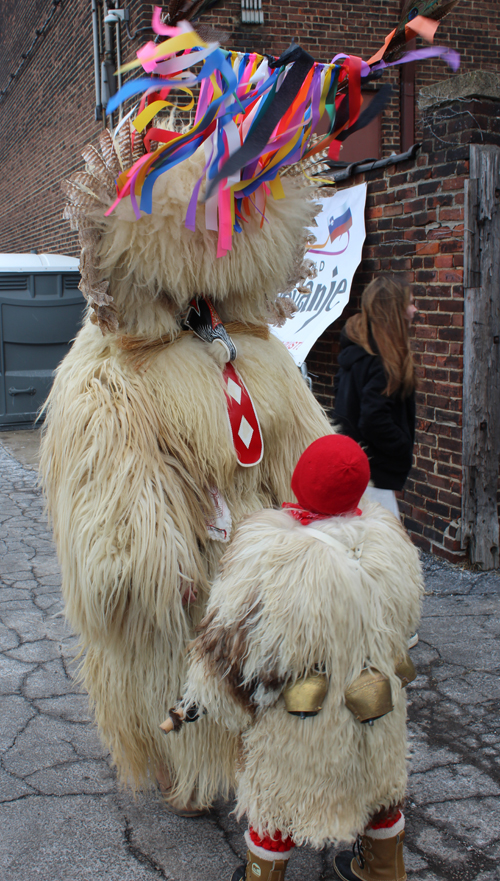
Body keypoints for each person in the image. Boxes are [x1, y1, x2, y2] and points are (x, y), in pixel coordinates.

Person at [167, 434, 423, 881]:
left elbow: (235, 650)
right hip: (377, 708)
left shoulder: (272, 557)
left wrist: (209, 699)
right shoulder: (393, 546)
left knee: (277, 795)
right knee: (379, 784)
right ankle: (384, 869)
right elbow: (404, 625)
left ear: (301, 480)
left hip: (302, 722)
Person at [333, 277, 418, 519]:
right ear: (394, 310)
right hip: (373, 475)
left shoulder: (357, 354)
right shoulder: (382, 360)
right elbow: (373, 418)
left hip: (355, 468)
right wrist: (402, 446)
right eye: (410, 303)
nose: (415, 310)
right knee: (387, 549)